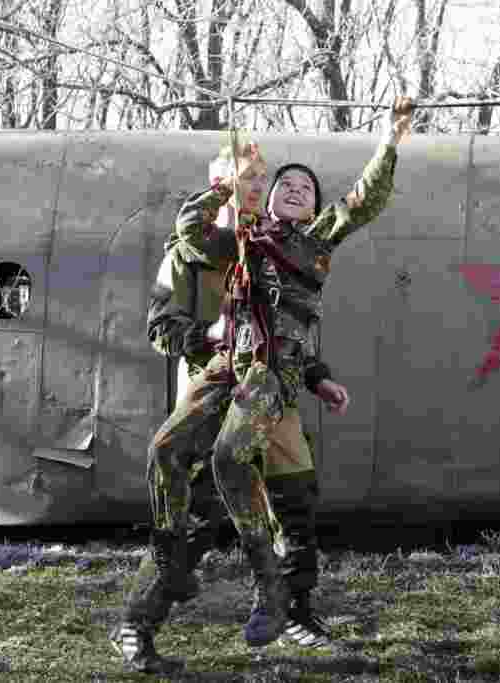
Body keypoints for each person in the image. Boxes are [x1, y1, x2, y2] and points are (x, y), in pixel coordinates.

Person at [182, 95, 415, 652]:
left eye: (305, 189)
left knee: (297, 504)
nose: (294, 189)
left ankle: (295, 614)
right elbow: (191, 231)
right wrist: (227, 187)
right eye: (285, 183)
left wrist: (390, 141)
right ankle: (165, 598)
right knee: (199, 496)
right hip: (232, 382)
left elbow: (364, 201)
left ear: (313, 210)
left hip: (279, 389)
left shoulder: (316, 242)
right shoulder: (242, 238)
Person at [116, 142, 349, 674]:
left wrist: (317, 377)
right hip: (213, 392)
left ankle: (295, 613)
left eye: (259, 181)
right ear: (220, 186)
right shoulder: (186, 252)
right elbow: (160, 329)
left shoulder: (269, 248)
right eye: (246, 179)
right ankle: (137, 623)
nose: (255, 189)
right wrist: (211, 335)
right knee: (195, 522)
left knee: (296, 506)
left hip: (271, 398)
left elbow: (289, 331)